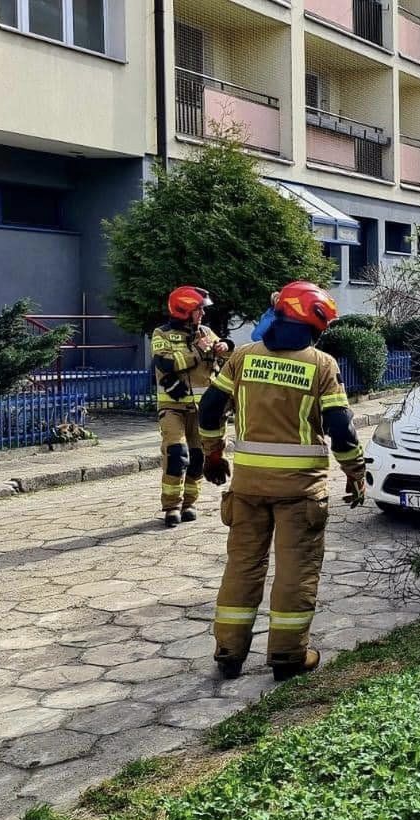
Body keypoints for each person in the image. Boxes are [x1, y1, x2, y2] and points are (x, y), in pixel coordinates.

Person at [198, 281, 366, 680]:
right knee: (296, 570)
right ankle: (289, 656)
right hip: (300, 492)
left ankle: (229, 651)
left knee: (242, 566)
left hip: (247, 488)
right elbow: (340, 429)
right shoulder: (321, 364)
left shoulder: (243, 357)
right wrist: (355, 473)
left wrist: (213, 453)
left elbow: (208, 408)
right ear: (316, 323)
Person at [152, 286, 230, 527]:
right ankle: (171, 506)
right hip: (172, 407)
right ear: (184, 311)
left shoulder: (206, 332)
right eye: (198, 310)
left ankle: (189, 503)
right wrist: (196, 351)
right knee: (176, 454)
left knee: (197, 457)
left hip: (202, 408)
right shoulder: (162, 333)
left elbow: (224, 357)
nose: (202, 315)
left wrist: (224, 347)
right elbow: (165, 362)